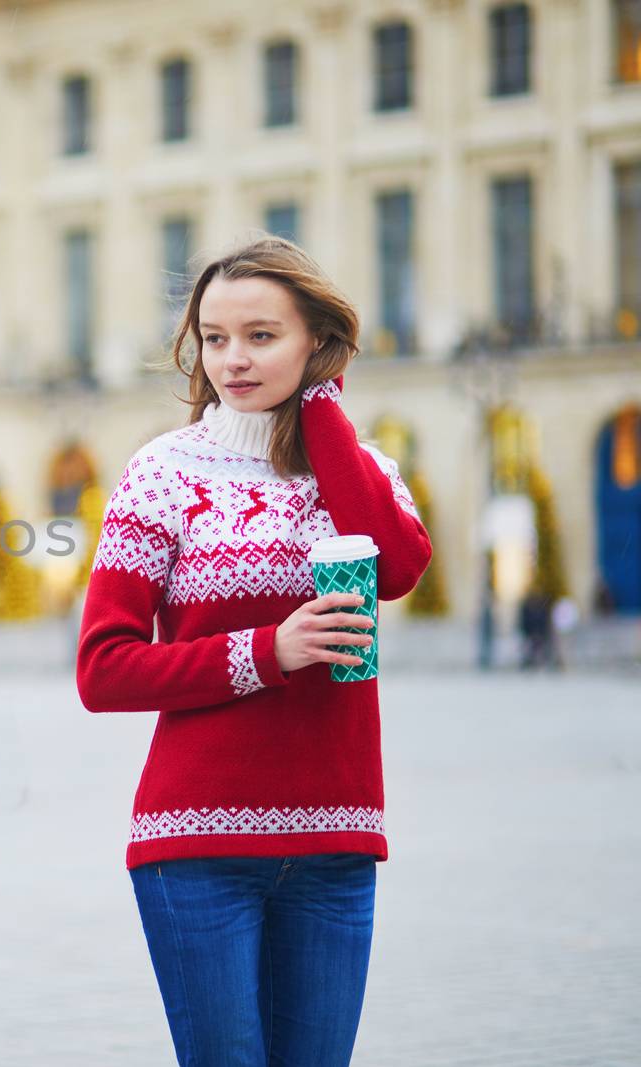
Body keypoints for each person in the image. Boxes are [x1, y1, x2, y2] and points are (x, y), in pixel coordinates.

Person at [77, 235, 433, 1067]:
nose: (233, 359)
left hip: (337, 840)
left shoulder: (364, 468)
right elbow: (104, 668)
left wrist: (322, 417)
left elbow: (402, 568)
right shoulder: (161, 474)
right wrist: (269, 649)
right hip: (197, 844)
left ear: (317, 338)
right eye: (214, 336)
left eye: (262, 335)